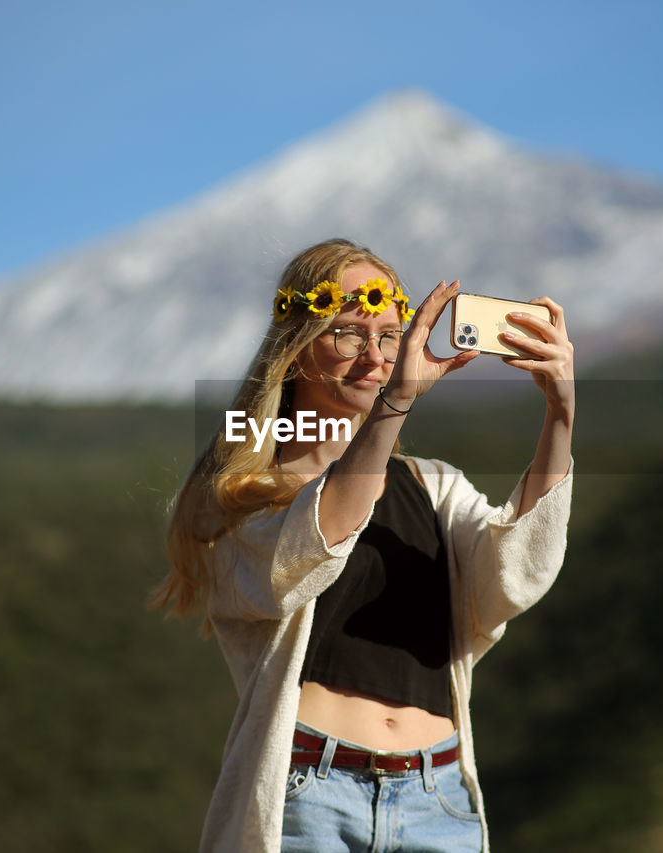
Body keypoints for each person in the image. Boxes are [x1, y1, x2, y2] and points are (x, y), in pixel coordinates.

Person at [152, 238, 574, 851]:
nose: (374, 356)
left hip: (439, 797)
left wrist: (560, 414)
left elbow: (513, 577)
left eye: (388, 335)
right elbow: (310, 546)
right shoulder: (246, 495)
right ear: (296, 348)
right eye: (349, 333)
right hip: (310, 797)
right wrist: (395, 404)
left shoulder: (432, 485)